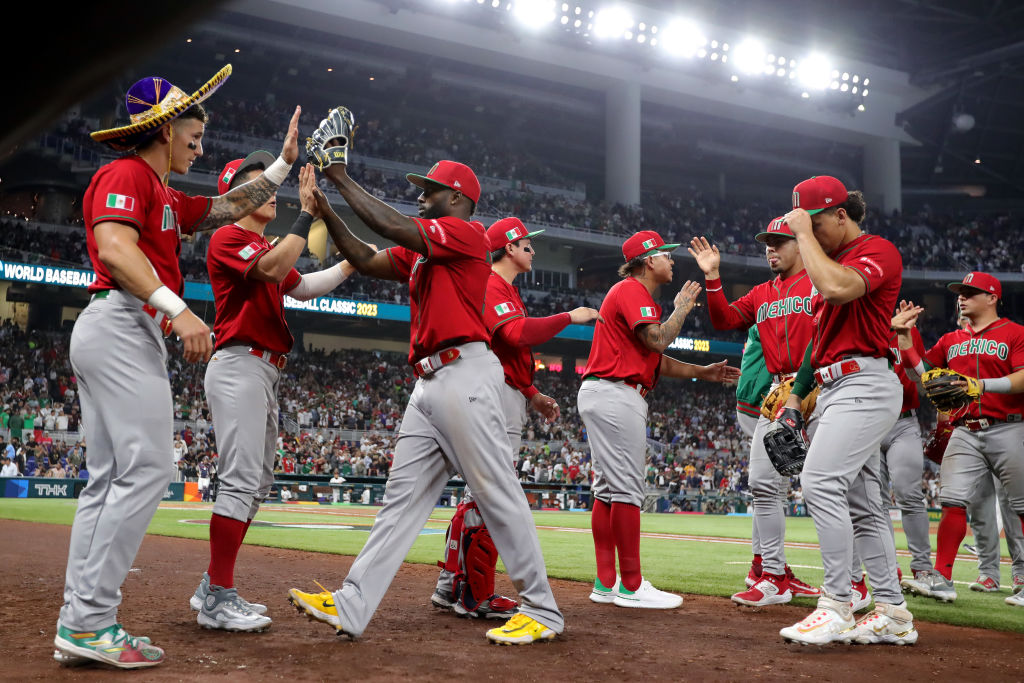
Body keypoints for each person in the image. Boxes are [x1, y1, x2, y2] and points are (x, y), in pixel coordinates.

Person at [54, 65, 302, 669]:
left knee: (109, 477)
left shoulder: (161, 190)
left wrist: (282, 167)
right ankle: (90, 620)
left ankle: (80, 620)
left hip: (118, 325)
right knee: (145, 470)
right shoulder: (127, 173)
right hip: (121, 321)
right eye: (194, 129)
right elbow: (115, 248)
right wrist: (177, 310)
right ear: (165, 129)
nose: (201, 139)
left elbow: (226, 204)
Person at [287, 158, 564, 644]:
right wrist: (327, 210)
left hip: (466, 373)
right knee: (399, 502)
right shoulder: (425, 247)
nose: (420, 194)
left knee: (497, 493)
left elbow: (388, 223)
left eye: (431, 189)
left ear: (457, 199)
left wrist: (339, 177)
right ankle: (353, 603)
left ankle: (542, 609)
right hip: (429, 383)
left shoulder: (467, 232)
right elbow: (368, 258)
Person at [189, 152, 360, 632]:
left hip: (262, 369)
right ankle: (219, 596)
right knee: (242, 481)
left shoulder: (259, 243)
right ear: (235, 195)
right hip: (240, 362)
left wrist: (351, 262)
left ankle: (211, 585)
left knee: (258, 483)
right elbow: (274, 268)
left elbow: (301, 285)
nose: (269, 190)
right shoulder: (229, 235)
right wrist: (307, 215)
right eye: (255, 182)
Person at [430, 216, 599, 618]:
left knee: (478, 494)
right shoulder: (492, 283)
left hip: (504, 391)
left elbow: (508, 353)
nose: (532, 249)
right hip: (493, 397)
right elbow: (515, 336)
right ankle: (476, 594)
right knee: (491, 495)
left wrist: (532, 392)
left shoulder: (501, 287)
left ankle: (451, 585)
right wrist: (569, 317)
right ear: (508, 247)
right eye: (525, 244)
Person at [775, 176, 918, 645]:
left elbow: (838, 291)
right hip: (833, 385)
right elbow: (818, 343)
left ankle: (836, 604)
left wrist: (800, 235)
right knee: (864, 505)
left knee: (819, 481)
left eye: (815, 225)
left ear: (842, 214)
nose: (809, 236)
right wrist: (796, 399)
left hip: (866, 381)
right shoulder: (828, 262)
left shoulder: (878, 250)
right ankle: (894, 613)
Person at [578, 230, 740, 609]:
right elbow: (657, 341)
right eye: (666, 255)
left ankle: (606, 584)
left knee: (606, 491)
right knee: (627, 490)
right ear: (649, 260)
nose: (671, 260)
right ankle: (631, 587)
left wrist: (702, 371)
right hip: (617, 395)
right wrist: (682, 307)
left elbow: (656, 360)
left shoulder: (627, 294)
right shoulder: (633, 291)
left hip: (605, 392)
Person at [689, 221, 820, 606]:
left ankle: (858, 582)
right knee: (762, 484)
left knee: (836, 487)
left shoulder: (818, 282)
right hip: (778, 392)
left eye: (779, 242)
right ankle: (773, 576)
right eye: (767, 244)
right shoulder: (763, 293)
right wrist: (713, 276)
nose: (770, 249)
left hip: (820, 386)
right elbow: (724, 320)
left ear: (800, 244)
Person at [896, 272, 1024, 609]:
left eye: (970, 293)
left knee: (1022, 505)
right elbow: (921, 375)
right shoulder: (951, 340)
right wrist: (905, 337)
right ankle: (941, 577)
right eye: (960, 293)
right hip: (965, 429)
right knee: (952, 501)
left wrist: (982, 385)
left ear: (992, 297)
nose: (961, 298)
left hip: (1010, 426)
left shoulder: (1015, 333)